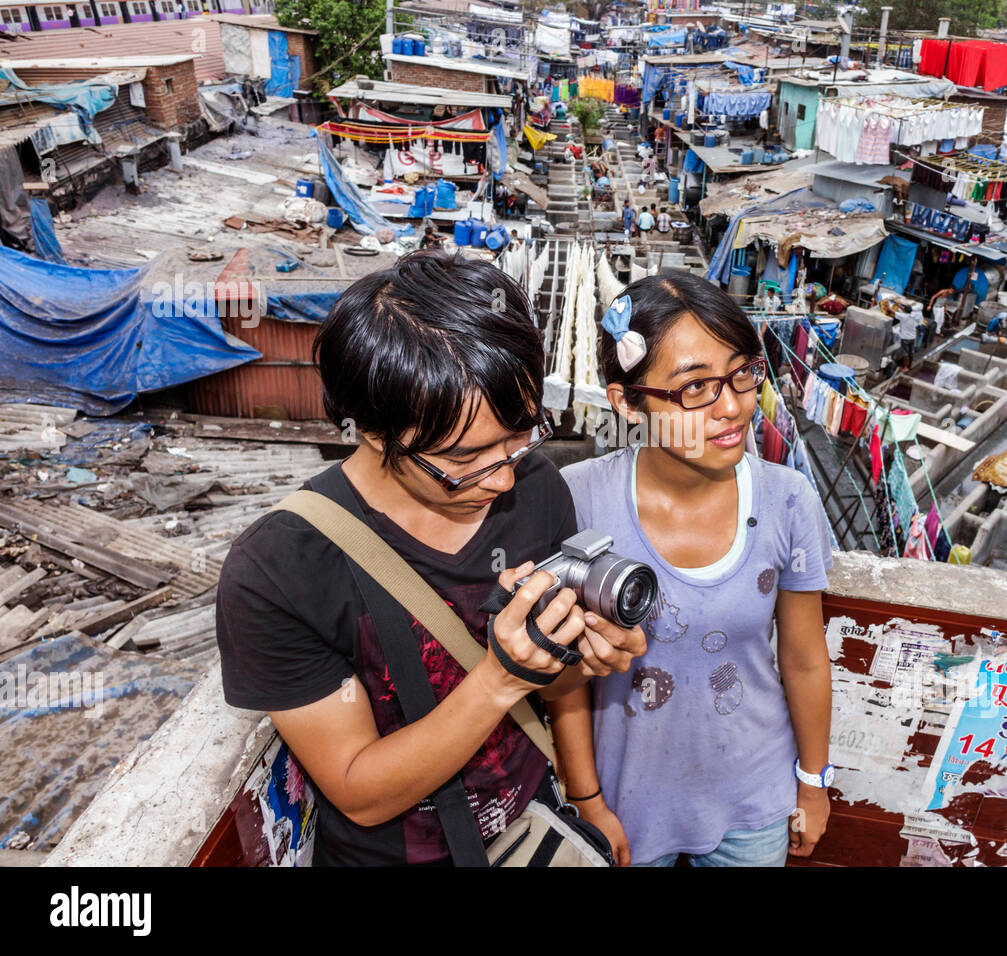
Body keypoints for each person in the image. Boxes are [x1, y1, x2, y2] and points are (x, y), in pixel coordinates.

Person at [215, 250, 647, 866]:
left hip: (533, 827)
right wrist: (501, 676)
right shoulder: (280, 569)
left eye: (521, 434)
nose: (501, 479)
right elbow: (359, 791)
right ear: (371, 430)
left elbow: (556, 685)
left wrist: (589, 657)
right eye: (465, 461)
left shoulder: (539, 488)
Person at [550, 270, 835, 867]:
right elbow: (565, 677)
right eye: (695, 388)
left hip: (754, 799)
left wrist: (813, 779)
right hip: (624, 801)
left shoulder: (787, 500)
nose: (732, 406)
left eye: (741, 373)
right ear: (627, 401)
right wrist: (587, 799)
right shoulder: (576, 502)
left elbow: (804, 656)